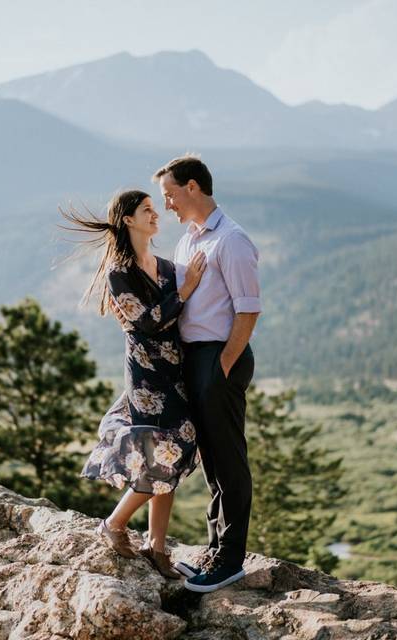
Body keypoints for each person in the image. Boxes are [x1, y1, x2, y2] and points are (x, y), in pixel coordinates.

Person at [63, 189, 207, 579]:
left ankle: (157, 547)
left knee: (173, 454)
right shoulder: (119, 272)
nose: (155, 214)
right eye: (147, 209)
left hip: (175, 369)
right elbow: (146, 322)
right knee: (161, 453)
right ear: (127, 219)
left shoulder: (165, 265)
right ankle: (113, 523)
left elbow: (179, 315)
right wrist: (184, 291)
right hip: (146, 375)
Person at [153, 154, 261, 593]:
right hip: (195, 358)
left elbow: (248, 310)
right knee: (212, 461)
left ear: (193, 187)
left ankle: (231, 559)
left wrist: (222, 366)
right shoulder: (187, 242)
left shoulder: (231, 240)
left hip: (220, 357)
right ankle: (216, 548)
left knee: (229, 457)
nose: (168, 206)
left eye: (170, 195)